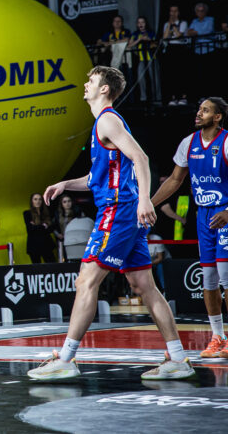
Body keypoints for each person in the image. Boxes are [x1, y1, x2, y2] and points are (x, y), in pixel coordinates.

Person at [29, 66, 194, 381]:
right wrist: (65, 184)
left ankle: (66, 358)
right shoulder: (104, 124)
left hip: (118, 211)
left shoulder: (107, 119)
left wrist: (145, 200)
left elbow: (141, 158)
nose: (85, 84)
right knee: (143, 285)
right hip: (124, 211)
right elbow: (96, 177)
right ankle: (178, 359)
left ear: (104, 88)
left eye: (90, 80)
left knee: (86, 282)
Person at [149, 96, 228, 358]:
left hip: (225, 212)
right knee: (209, 278)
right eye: (199, 109)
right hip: (204, 215)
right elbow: (174, 180)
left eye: (205, 110)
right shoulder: (188, 143)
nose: (198, 113)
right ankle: (218, 336)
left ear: (217, 117)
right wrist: (149, 204)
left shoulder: (226, 141)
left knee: (226, 276)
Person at [128, 16, 157, 105]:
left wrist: (149, 39)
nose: (141, 24)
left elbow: (156, 43)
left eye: (143, 22)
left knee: (154, 79)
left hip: (151, 58)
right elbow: (130, 45)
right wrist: (139, 39)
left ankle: (157, 98)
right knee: (141, 78)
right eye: (139, 22)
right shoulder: (135, 34)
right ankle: (143, 98)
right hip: (141, 59)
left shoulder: (151, 32)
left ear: (146, 23)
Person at [24, 192, 57, 263]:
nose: (38, 201)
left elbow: (51, 229)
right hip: (34, 246)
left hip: (47, 245)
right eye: (35, 199)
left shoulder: (47, 212)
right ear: (32, 201)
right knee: (36, 268)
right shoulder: (27, 213)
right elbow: (30, 229)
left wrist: (36, 226)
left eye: (40, 199)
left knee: (52, 266)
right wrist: (44, 226)